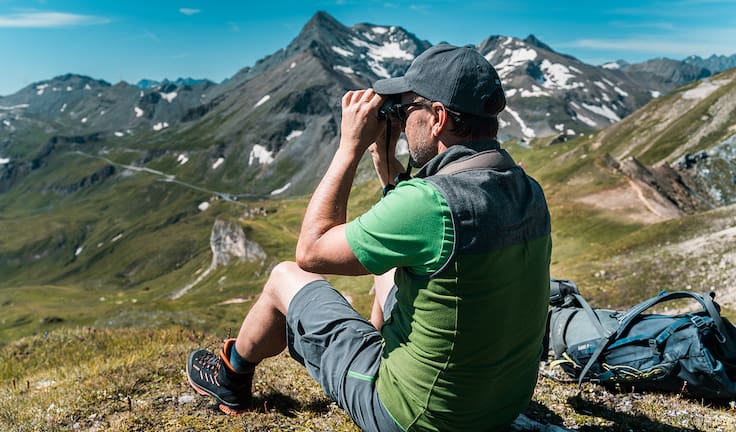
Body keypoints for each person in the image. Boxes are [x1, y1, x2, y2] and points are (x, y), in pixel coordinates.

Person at [186, 44, 552, 432]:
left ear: (438, 118)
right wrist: (386, 163)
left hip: (417, 415)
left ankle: (232, 379)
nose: (402, 119)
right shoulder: (528, 190)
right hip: (501, 406)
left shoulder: (428, 205)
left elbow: (312, 251)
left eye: (408, 109)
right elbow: (419, 236)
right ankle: (376, 345)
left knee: (284, 277)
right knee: (386, 272)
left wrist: (350, 148)